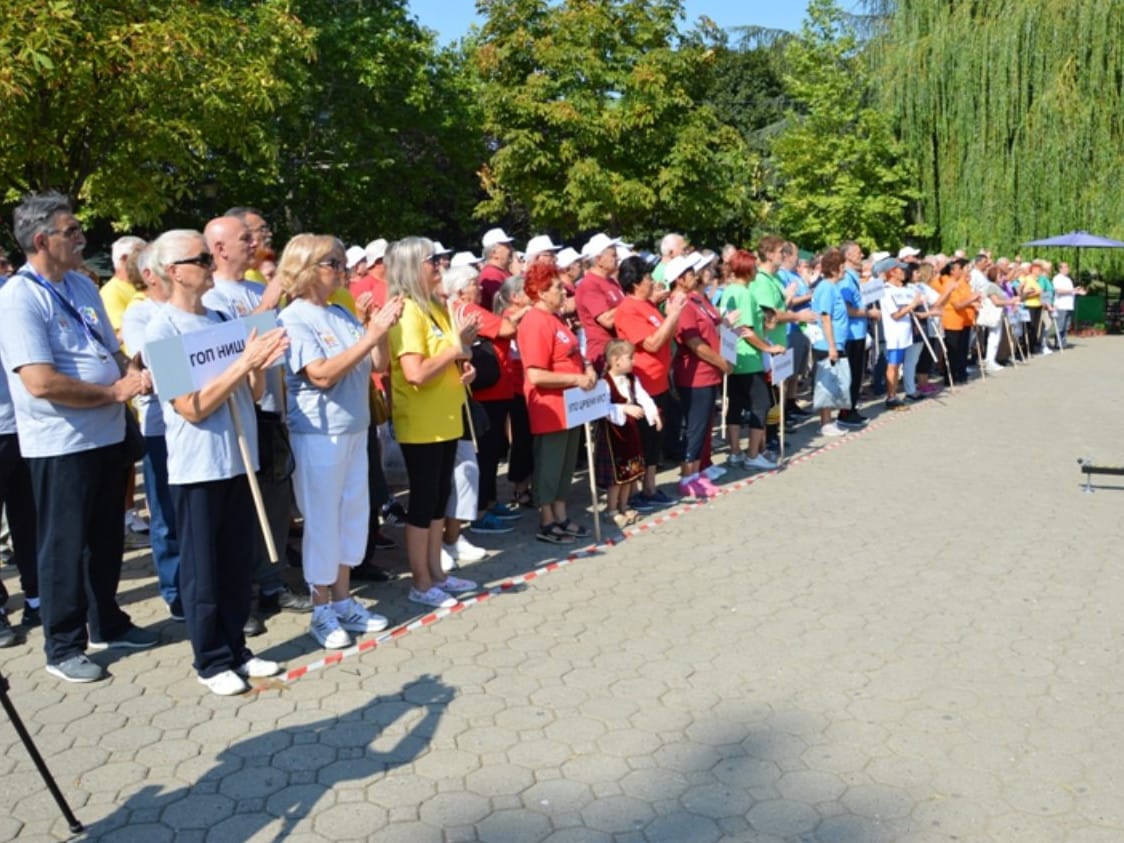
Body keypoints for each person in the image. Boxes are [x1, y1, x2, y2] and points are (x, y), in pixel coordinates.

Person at [0, 192, 156, 683]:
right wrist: (113, 392)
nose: (82, 236)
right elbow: (40, 382)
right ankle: (63, 645)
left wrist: (133, 367)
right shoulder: (18, 297)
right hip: (62, 444)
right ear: (42, 240)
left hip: (107, 436)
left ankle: (106, 620)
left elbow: (108, 350)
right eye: (72, 231)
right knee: (63, 545)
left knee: (106, 538)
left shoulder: (83, 286)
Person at [145, 229, 289, 695]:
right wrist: (242, 363)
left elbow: (253, 392)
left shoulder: (223, 318)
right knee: (204, 567)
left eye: (209, 257)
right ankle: (210, 658)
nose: (210, 265)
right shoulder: (161, 328)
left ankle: (236, 649)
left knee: (235, 562)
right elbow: (191, 406)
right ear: (174, 272)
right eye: (200, 258)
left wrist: (259, 363)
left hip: (238, 459)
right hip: (199, 466)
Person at [277, 234, 404, 649]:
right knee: (322, 521)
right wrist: (371, 333)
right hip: (319, 434)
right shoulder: (295, 317)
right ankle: (321, 609)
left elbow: (378, 362)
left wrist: (378, 329)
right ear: (309, 269)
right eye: (333, 263)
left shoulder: (341, 312)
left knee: (352, 516)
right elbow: (322, 374)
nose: (343, 270)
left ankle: (344, 599)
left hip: (354, 427)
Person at [202, 215, 311, 635]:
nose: (256, 243)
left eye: (255, 236)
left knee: (275, 503)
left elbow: (276, 354)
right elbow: (227, 349)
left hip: (269, 409)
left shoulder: (253, 290)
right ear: (219, 248)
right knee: (241, 512)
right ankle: (241, 596)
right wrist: (270, 299)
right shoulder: (213, 297)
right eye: (245, 238)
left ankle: (272, 581)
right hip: (235, 414)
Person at [386, 237, 479, 608]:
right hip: (421, 420)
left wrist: (463, 363)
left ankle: (438, 572)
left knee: (441, 497)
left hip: (446, 414)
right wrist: (457, 351)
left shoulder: (434, 307)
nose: (440, 265)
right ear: (411, 267)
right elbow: (415, 372)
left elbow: (448, 352)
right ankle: (421, 582)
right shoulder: (406, 311)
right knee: (423, 501)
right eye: (432, 260)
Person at [121, 246, 183, 619]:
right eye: (168, 266)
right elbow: (159, 363)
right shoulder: (140, 313)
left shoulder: (192, 309)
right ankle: (174, 589)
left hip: (197, 423)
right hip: (160, 426)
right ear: (150, 274)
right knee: (165, 513)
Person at [517, 262, 596, 544]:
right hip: (550, 406)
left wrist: (586, 368)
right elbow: (536, 373)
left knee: (564, 465)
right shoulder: (535, 322)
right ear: (541, 291)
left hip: (571, 405)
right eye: (558, 287)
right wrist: (575, 380)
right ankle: (546, 520)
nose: (564, 292)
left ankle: (561, 514)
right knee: (550, 464)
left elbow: (572, 352)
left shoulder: (556, 318)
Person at [443, 264, 523, 533]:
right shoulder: (468, 310)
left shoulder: (461, 308)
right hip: (488, 390)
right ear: (460, 290)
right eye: (473, 283)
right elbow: (506, 329)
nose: (479, 287)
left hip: (492, 386)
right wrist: (523, 312)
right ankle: (480, 510)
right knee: (486, 452)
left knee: (490, 449)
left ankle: (488, 500)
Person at [613, 255, 684, 507]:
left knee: (655, 438)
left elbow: (666, 335)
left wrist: (669, 315)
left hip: (659, 382)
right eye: (647, 278)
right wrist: (673, 315)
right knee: (641, 440)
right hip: (642, 385)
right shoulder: (628, 310)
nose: (652, 282)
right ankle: (635, 492)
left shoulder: (648, 305)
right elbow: (652, 343)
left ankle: (651, 488)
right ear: (635, 283)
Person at [666, 254, 732, 500]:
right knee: (695, 427)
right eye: (690, 273)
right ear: (679, 279)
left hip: (706, 372)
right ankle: (687, 477)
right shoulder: (680, 303)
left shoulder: (694, 300)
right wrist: (721, 362)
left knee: (703, 425)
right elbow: (694, 342)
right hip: (694, 374)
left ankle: (696, 473)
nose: (695, 275)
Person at [720, 249, 785, 470]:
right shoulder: (745, 294)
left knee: (735, 405)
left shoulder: (728, 291)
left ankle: (735, 451)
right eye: (754, 267)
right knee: (761, 404)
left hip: (731, 355)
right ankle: (753, 454)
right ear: (747, 270)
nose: (757, 270)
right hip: (748, 357)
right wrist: (768, 347)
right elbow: (746, 330)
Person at [596, 339, 659, 529]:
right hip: (614, 435)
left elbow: (643, 396)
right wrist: (624, 408)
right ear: (615, 360)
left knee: (629, 473)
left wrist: (653, 413)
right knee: (616, 477)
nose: (633, 361)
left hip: (630, 433)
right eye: (629, 358)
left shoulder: (632, 379)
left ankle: (625, 505)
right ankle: (612, 510)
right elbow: (602, 408)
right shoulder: (604, 383)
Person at [492, 274, 535, 509]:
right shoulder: (508, 317)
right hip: (518, 385)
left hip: (526, 382)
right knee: (522, 438)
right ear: (515, 297)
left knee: (529, 437)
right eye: (527, 291)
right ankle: (520, 489)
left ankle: (528, 484)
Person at [810, 248, 850, 437]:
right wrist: (832, 345)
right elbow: (825, 317)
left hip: (836, 342)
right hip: (826, 344)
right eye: (842, 267)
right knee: (826, 382)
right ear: (834, 269)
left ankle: (830, 420)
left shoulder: (834, 287)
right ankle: (825, 422)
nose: (845, 271)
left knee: (837, 381)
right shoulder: (826, 287)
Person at [876, 258, 923, 408]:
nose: (904, 272)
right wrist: (912, 305)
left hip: (905, 334)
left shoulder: (903, 289)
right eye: (901, 270)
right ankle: (891, 397)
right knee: (893, 366)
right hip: (894, 335)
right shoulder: (886, 291)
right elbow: (895, 315)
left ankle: (894, 394)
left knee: (898, 366)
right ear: (892, 272)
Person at [575, 233, 626, 373]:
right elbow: (607, 320)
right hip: (604, 355)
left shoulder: (611, 281)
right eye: (613, 255)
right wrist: (632, 303)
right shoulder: (589, 285)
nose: (618, 258)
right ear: (599, 259)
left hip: (618, 352)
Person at [940, 258, 980, 384]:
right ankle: (950, 377)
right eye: (960, 269)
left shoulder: (961, 283)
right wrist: (972, 300)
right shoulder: (950, 284)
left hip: (962, 320)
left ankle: (960, 373)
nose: (962, 271)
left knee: (961, 350)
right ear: (952, 271)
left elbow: (965, 300)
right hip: (952, 320)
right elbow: (957, 304)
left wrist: (974, 303)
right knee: (952, 351)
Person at [479, 227, 515, 311]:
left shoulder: (499, 272)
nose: (511, 249)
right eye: (507, 246)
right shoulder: (490, 275)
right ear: (493, 253)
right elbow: (504, 303)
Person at [1051, 261, 1082, 349]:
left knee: (1066, 325)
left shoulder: (1068, 279)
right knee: (1060, 325)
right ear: (1060, 269)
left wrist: (1077, 291)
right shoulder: (1057, 278)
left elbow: (1071, 291)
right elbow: (1058, 291)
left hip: (1069, 305)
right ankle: (1058, 343)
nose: (1067, 269)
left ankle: (1063, 342)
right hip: (1061, 305)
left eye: (1067, 267)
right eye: (1065, 267)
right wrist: (1071, 291)